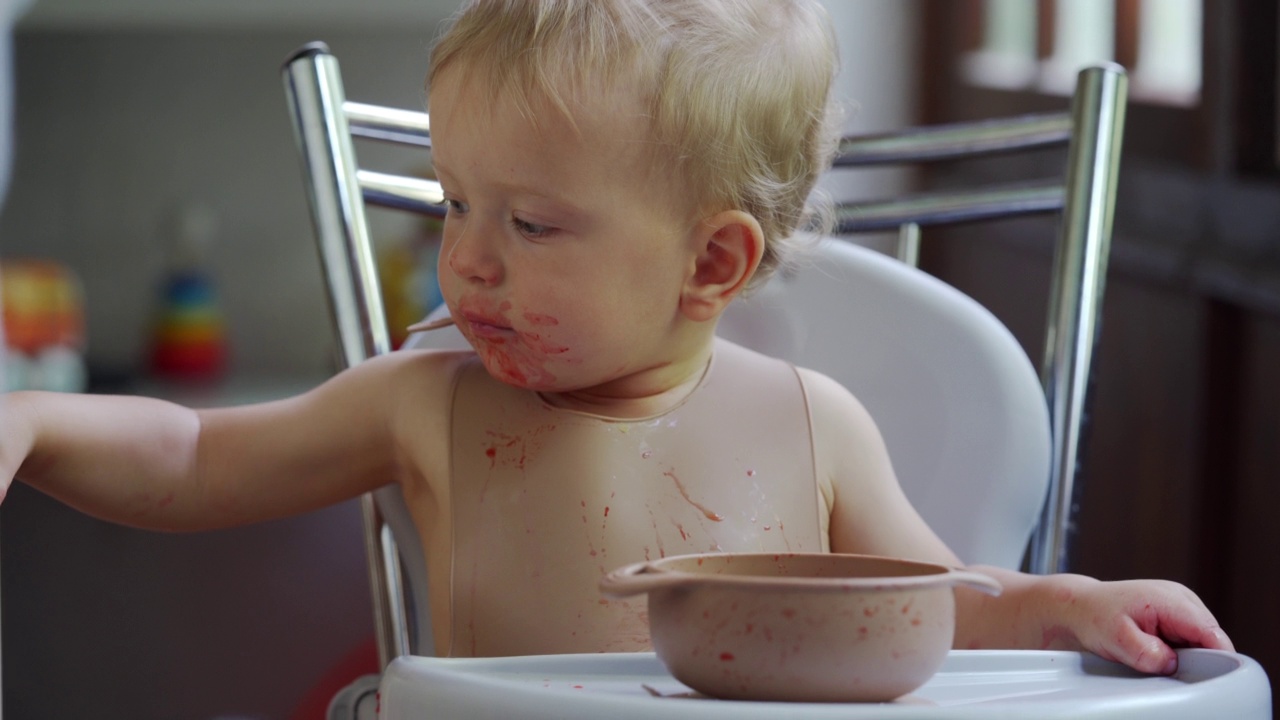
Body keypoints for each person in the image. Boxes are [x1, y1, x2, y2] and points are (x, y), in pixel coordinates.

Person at [0, 0, 1231, 672]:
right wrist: (36, 419)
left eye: (530, 222)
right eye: (455, 203)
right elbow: (194, 461)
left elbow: (940, 606)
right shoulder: (426, 400)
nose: (469, 256)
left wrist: (1069, 600)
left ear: (709, 263)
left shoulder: (814, 432)